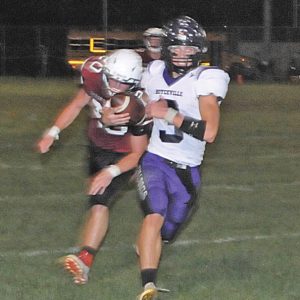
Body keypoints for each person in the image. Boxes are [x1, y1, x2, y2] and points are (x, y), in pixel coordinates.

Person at [135, 16, 230, 300]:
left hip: (188, 168)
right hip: (155, 158)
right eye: (177, 47)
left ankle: (147, 242)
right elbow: (137, 106)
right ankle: (148, 285)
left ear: (199, 50)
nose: (183, 54)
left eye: (189, 48)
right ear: (166, 48)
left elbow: (210, 132)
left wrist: (170, 114)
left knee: (169, 228)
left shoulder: (206, 78)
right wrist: (127, 111)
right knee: (155, 213)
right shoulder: (151, 72)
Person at [36, 49, 150, 285]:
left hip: (123, 155)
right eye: (114, 79)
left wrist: (111, 171)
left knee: (99, 201)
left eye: (124, 82)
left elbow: (138, 152)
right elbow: (77, 105)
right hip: (96, 146)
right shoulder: (94, 74)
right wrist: (53, 132)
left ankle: (84, 260)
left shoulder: (140, 104)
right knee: (94, 199)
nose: (117, 86)